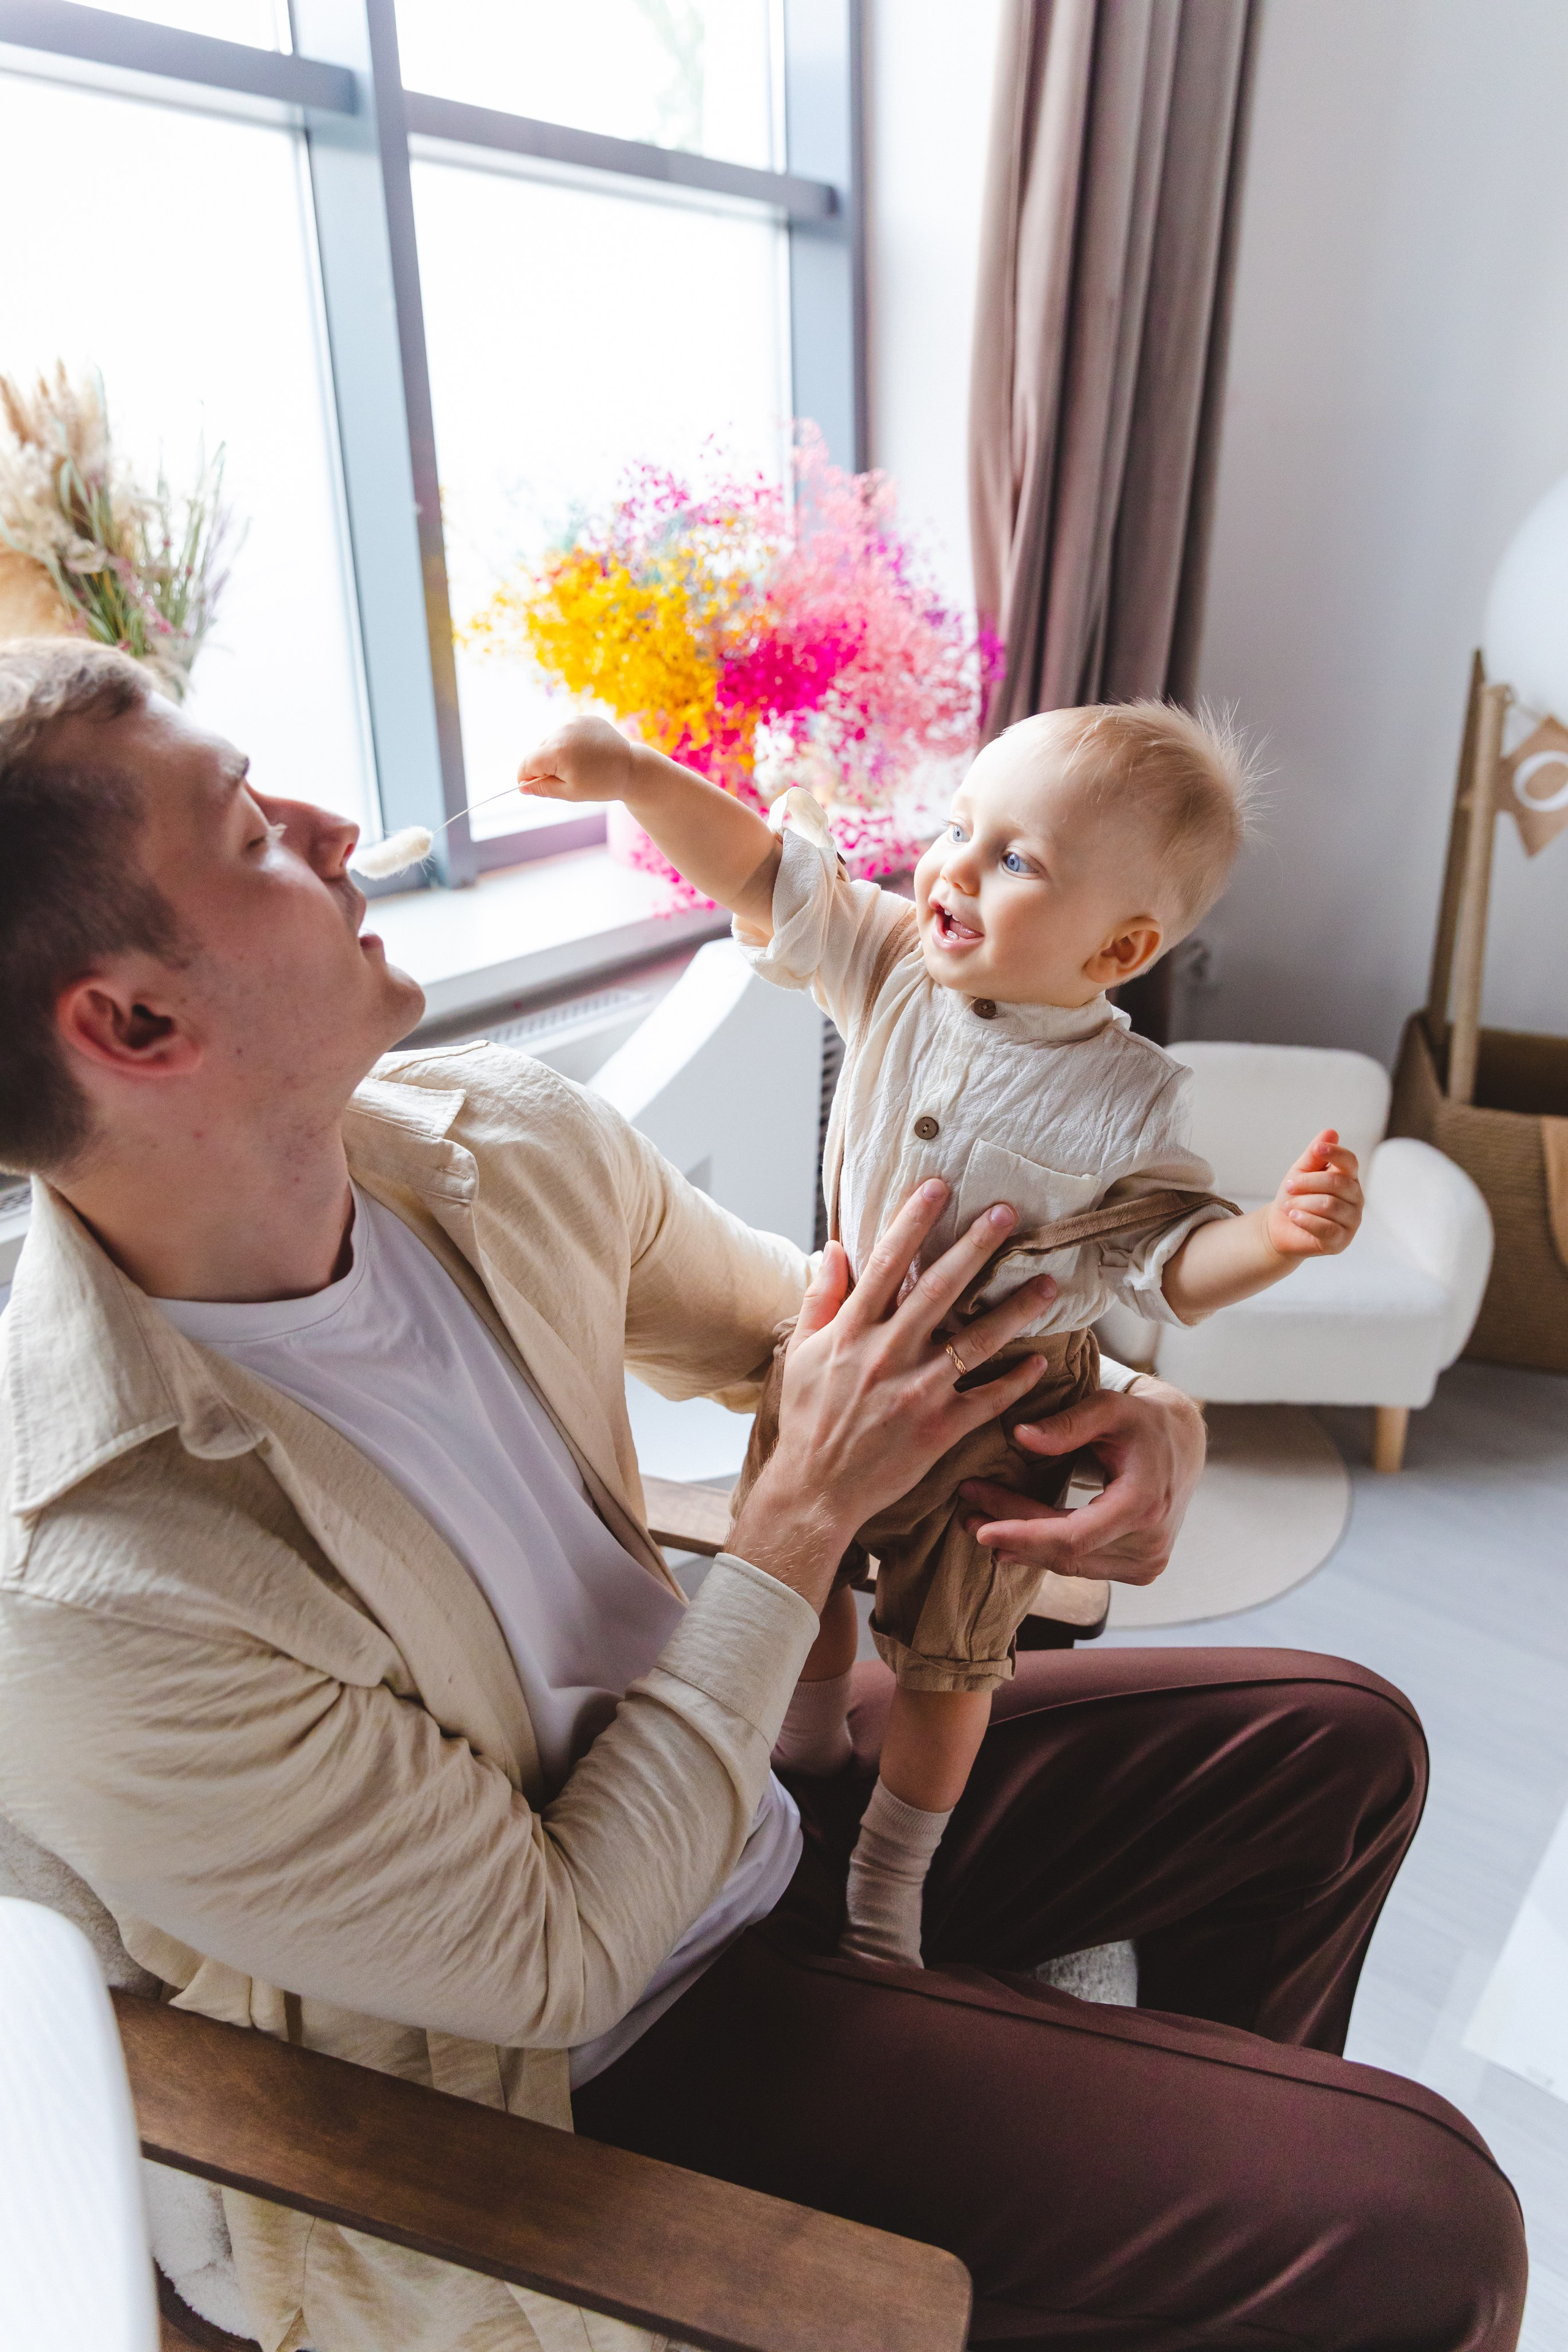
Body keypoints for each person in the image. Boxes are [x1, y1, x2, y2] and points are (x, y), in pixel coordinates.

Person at [0, 642, 1525, 2352]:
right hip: (583, 2069)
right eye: (251, 829)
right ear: (132, 1023)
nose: (337, 822)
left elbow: (828, 1326)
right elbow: (562, 1952)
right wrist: (796, 1527)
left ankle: (1164, 2269)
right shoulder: (88, 1582)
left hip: (745, 1812)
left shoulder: (483, 1144)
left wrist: (1137, 1408)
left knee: (1329, 1750)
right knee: (1424, 2224)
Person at [517, 705, 1366, 1964]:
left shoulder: (1130, 1101)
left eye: (1014, 860)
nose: (952, 869)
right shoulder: (889, 964)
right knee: (795, 1588)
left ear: (1119, 946)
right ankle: (803, 1754)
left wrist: (1278, 1241)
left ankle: (886, 1877)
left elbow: (1169, 1258)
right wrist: (638, 776)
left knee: (951, 1662)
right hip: (837, 1352)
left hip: (1004, 1408)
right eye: (958, 826)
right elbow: (761, 869)